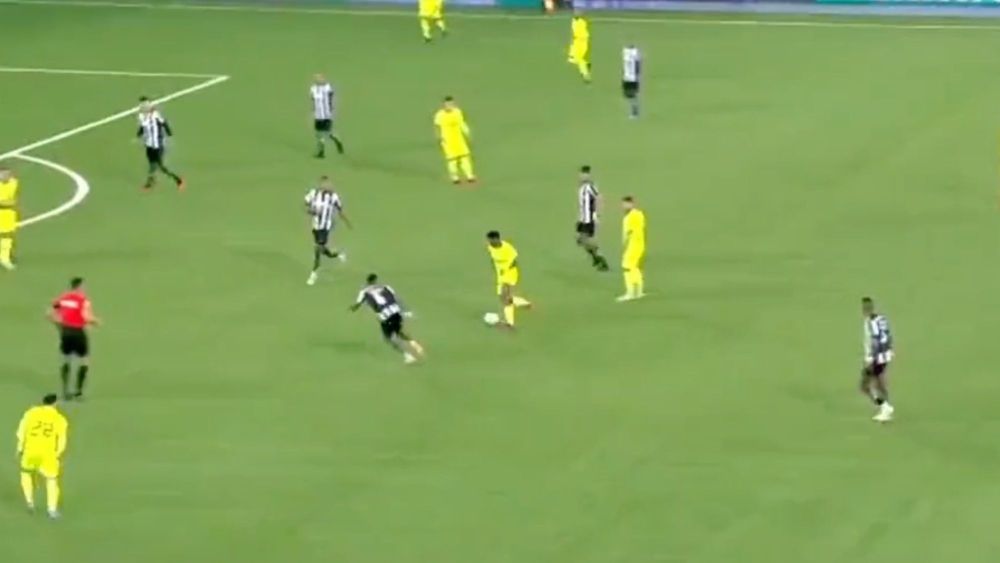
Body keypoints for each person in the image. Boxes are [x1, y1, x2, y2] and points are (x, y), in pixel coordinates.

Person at [350, 274, 425, 364]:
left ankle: (409, 356)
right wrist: (406, 311)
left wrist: (352, 308)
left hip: (385, 316)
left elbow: (357, 304)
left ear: (367, 282)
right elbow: (397, 298)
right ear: (375, 280)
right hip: (396, 312)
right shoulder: (385, 287)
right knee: (399, 331)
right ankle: (417, 346)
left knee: (388, 339)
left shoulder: (364, 291)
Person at [16, 393, 69, 518]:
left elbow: (21, 431)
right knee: (51, 480)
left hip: (30, 450)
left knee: (26, 474)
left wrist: (19, 448)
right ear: (55, 403)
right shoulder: (60, 419)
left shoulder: (31, 413)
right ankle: (52, 510)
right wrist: (58, 454)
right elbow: (62, 440)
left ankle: (29, 502)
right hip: (48, 453)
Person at [49, 277, 100, 400]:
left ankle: (65, 390)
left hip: (66, 332)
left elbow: (50, 314)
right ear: (80, 287)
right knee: (84, 361)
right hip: (78, 333)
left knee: (66, 360)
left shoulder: (63, 298)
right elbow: (86, 316)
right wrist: (96, 321)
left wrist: (60, 326)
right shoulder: (83, 300)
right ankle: (78, 391)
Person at [304, 176, 350, 286]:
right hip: (316, 226)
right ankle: (337, 254)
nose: (327, 186)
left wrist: (347, 221)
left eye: (328, 184)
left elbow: (339, 209)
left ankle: (314, 272)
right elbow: (306, 204)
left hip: (326, 226)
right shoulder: (314, 194)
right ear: (320, 185)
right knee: (322, 249)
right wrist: (310, 211)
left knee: (318, 248)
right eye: (325, 184)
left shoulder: (333, 197)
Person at [137, 97, 185, 191]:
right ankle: (150, 183)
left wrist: (169, 133)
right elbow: (143, 127)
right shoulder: (142, 116)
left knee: (161, 167)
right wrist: (139, 134)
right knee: (151, 165)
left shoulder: (156, 115)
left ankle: (178, 180)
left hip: (158, 146)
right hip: (149, 145)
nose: (143, 107)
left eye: (145, 105)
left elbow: (164, 123)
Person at [486, 231, 532, 328]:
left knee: (505, 299)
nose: (491, 243)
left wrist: (505, 269)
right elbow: (493, 258)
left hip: (510, 274)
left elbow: (514, 262)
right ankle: (525, 303)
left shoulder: (507, 248)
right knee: (504, 297)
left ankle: (510, 323)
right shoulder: (490, 247)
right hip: (500, 276)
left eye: (492, 241)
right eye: (489, 241)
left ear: (498, 239)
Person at [861, 297, 895, 422]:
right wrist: (890, 350)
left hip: (876, 358)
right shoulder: (882, 319)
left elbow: (875, 342)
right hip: (885, 355)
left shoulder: (870, 323)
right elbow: (888, 335)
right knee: (879, 382)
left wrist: (871, 359)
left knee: (865, 386)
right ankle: (886, 407)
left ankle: (885, 407)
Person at [433, 96, 476, 185]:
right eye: (447, 104)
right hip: (447, 140)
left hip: (459, 138)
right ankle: (455, 177)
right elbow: (437, 127)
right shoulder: (439, 115)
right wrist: (439, 138)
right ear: (444, 105)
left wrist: (467, 132)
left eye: (451, 104)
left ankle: (469, 175)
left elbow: (461, 123)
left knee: (464, 156)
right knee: (452, 159)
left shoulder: (458, 112)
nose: (449, 106)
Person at [575, 165, 609, 271]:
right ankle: (595, 257)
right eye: (582, 174)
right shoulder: (581, 188)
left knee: (587, 239)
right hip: (582, 218)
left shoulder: (590, 187)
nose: (583, 176)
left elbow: (599, 197)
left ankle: (600, 259)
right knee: (580, 239)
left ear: (589, 176)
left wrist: (598, 214)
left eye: (586, 174)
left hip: (589, 218)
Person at [618, 196, 646, 302]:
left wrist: (625, 245)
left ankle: (630, 293)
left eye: (626, 204)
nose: (623, 206)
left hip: (633, 245)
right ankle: (639, 291)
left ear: (632, 204)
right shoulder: (640, 214)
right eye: (623, 204)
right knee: (634, 267)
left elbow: (628, 234)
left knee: (627, 267)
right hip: (640, 244)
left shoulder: (629, 217)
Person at [310, 74, 345, 158]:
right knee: (323, 133)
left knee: (323, 133)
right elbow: (329, 96)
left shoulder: (318, 88)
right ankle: (324, 150)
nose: (318, 80)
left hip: (323, 115)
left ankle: (324, 150)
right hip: (323, 115)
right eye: (317, 79)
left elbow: (314, 98)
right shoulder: (321, 87)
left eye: (319, 79)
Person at [0, 166, 19, 270]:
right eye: (3, 174)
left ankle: (5, 257)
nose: (5, 176)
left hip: (9, 213)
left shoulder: (14, 183)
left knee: (8, 235)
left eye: (8, 174)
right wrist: (9, 203)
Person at [567, 10, 592, 83]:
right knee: (575, 59)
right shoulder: (574, 21)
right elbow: (573, 33)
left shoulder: (582, 22)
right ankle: (586, 64)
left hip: (582, 42)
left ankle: (585, 74)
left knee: (579, 59)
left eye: (577, 13)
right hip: (577, 42)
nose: (575, 14)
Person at [622, 44, 642, 119]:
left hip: (632, 77)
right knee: (629, 95)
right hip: (628, 77)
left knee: (632, 95)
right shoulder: (628, 54)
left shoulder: (630, 54)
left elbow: (637, 65)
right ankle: (634, 111)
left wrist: (637, 75)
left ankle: (635, 112)